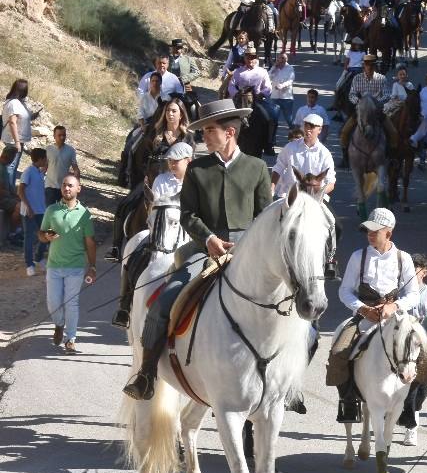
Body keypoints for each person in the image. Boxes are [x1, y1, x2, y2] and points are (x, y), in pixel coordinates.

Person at [123, 99, 273, 401]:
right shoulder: (197, 169)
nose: (203, 136)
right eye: (203, 131)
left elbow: (265, 216)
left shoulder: (256, 168)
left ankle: (289, 381)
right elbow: (188, 214)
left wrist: (247, 245)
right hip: (204, 248)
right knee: (165, 299)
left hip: (248, 250)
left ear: (229, 132)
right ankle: (147, 373)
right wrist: (209, 240)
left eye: (208, 130)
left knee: (291, 301)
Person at [326, 207, 420, 422]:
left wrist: (393, 307)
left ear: (389, 232)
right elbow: (344, 291)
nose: (369, 234)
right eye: (368, 230)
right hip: (364, 317)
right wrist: (363, 309)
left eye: (375, 230)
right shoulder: (358, 257)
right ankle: (348, 400)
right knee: (339, 351)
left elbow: (413, 294)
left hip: (395, 319)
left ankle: (408, 407)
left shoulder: (403, 258)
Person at [112, 141, 194, 330]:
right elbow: (153, 208)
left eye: (176, 161)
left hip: (187, 231)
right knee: (134, 255)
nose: (171, 164)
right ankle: (124, 305)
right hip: (161, 229)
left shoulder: (197, 180)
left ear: (188, 161)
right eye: (170, 161)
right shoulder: (161, 180)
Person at [38, 175, 97, 354]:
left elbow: (90, 242)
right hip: (54, 266)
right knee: (53, 303)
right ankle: (59, 324)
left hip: (75, 267)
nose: (67, 188)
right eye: (64, 185)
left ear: (78, 188)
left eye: (71, 185)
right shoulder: (51, 210)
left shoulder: (84, 214)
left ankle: (71, 338)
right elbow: (41, 234)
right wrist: (46, 236)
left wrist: (92, 267)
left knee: (71, 303)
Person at [398, 252, 427, 446]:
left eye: (415, 271)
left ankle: (413, 410)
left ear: (424, 273)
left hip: (422, 343)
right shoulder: (399, 292)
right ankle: (411, 427)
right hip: (402, 342)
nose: (411, 276)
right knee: (410, 387)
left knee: (421, 389)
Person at [272, 113, 336, 199]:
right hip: (288, 196)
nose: (308, 130)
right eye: (306, 126)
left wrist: (318, 192)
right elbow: (278, 168)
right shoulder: (290, 147)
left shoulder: (325, 153)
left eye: (312, 127)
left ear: (320, 130)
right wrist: (271, 188)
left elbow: (331, 182)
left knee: (327, 213)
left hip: (314, 199)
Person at [17, 148, 49, 275]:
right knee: (29, 238)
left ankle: (39, 258)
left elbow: (45, 168)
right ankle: (29, 265)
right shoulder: (28, 172)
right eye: (45, 158)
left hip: (41, 210)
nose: (46, 161)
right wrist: (29, 207)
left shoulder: (39, 172)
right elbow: (20, 191)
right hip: (29, 211)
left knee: (47, 234)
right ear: (40, 159)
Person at [3, 79, 34, 183]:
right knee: (9, 166)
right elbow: (12, 122)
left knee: (12, 166)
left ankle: (10, 190)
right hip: (13, 140)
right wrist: (17, 142)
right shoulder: (14, 103)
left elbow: (19, 118)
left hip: (16, 139)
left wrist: (32, 116)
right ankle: (6, 192)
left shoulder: (18, 102)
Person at [44, 126, 80, 207]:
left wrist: (76, 185)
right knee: (49, 210)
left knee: (62, 210)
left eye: (64, 135)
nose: (62, 137)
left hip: (64, 187)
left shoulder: (70, 150)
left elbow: (76, 169)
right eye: (59, 135)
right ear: (54, 136)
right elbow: (44, 167)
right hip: (50, 186)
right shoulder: (49, 149)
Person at [168, 39, 203, 108]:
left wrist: (184, 78)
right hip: (169, 88)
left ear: (182, 49)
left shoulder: (188, 59)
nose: (178, 49)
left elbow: (197, 72)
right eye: (176, 47)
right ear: (172, 48)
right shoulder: (167, 59)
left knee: (194, 107)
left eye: (180, 48)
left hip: (185, 88)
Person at [268, 53, 296, 133]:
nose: (281, 60)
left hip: (286, 97)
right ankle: (272, 137)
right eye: (280, 58)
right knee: (273, 119)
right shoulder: (274, 68)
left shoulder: (290, 68)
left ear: (287, 59)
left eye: (283, 58)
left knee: (289, 119)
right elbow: (268, 77)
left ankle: (294, 135)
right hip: (275, 97)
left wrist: (282, 85)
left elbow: (291, 80)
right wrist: (274, 67)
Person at [0, 145, 19, 246]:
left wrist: (16, 195)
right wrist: (11, 196)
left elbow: (9, 187)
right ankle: (12, 234)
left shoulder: (4, 168)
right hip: (2, 199)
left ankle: (18, 231)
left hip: (5, 197)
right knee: (19, 207)